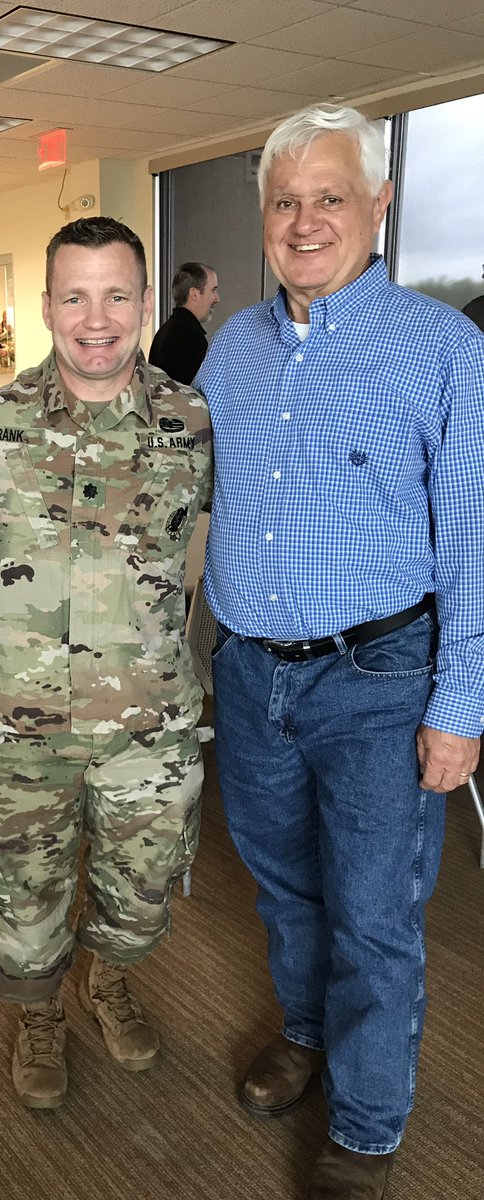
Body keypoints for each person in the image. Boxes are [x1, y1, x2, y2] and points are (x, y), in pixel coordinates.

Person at [195, 104, 484, 1200]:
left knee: (375, 914)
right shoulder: (234, 351)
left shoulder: (446, 352)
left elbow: (472, 541)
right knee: (285, 890)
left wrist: (462, 704)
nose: (305, 220)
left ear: (379, 204)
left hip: (378, 680)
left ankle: (367, 1125)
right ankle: (307, 1033)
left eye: (329, 196)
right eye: (285, 200)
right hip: (250, 670)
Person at [0, 217, 211, 1109]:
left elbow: (205, 551)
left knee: (140, 891)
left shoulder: (190, 420)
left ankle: (105, 980)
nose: (95, 318)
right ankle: (39, 1014)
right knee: (21, 896)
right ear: (47, 306)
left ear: (145, 304)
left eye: (115, 294)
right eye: (75, 295)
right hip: (16, 730)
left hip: (150, 728)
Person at [148, 261, 218, 384]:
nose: (217, 298)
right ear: (194, 294)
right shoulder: (192, 337)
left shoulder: (164, 332)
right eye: (213, 290)